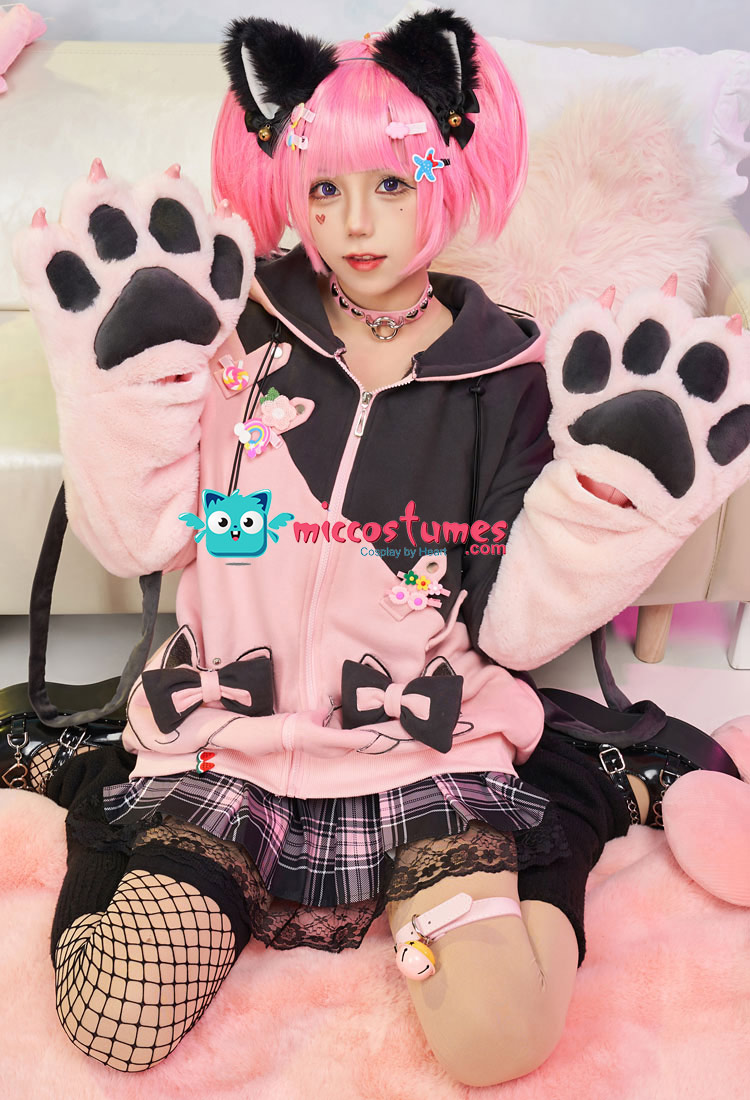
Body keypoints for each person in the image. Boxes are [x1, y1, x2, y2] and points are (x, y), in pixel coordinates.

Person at [9, 6, 750, 1086]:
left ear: (449, 174)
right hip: (227, 737)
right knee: (112, 1019)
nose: (355, 223)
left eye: (392, 184)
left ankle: (576, 798)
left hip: (419, 744)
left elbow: (512, 626)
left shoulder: (505, 374)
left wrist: (611, 501)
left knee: (499, 1038)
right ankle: (93, 780)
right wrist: (118, 387)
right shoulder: (233, 321)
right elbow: (142, 538)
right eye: (324, 189)